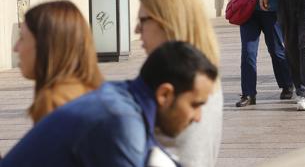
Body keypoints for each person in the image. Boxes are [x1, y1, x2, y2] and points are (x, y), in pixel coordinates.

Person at [1, 41, 218, 167]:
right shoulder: (120, 120)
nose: (198, 117)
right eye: (194, 104)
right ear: (164, 94)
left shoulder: (123, 99)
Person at [136, 0, 222, 167]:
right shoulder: (205, 82)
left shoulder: (184, 88)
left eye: (143, 21)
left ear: (168, 23)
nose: (137, 30)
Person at [12, 0, 102, 123]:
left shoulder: (53, 101)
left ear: (46, 46)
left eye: (22, 38)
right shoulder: (93, 91)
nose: (15, 48)